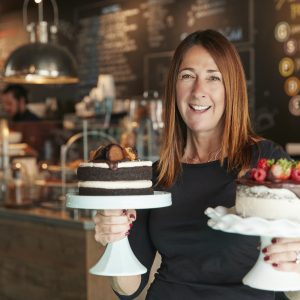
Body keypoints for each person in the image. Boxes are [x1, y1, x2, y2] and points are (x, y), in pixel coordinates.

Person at [93, 30, 299, 299]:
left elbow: (292, 290)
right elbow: (128, 289)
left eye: (213, 78)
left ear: (231, 88)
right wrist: (114, 239)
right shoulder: (155, 176)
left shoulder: (266, 164)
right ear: (174, 87)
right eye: (187, 76)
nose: (198, 90)